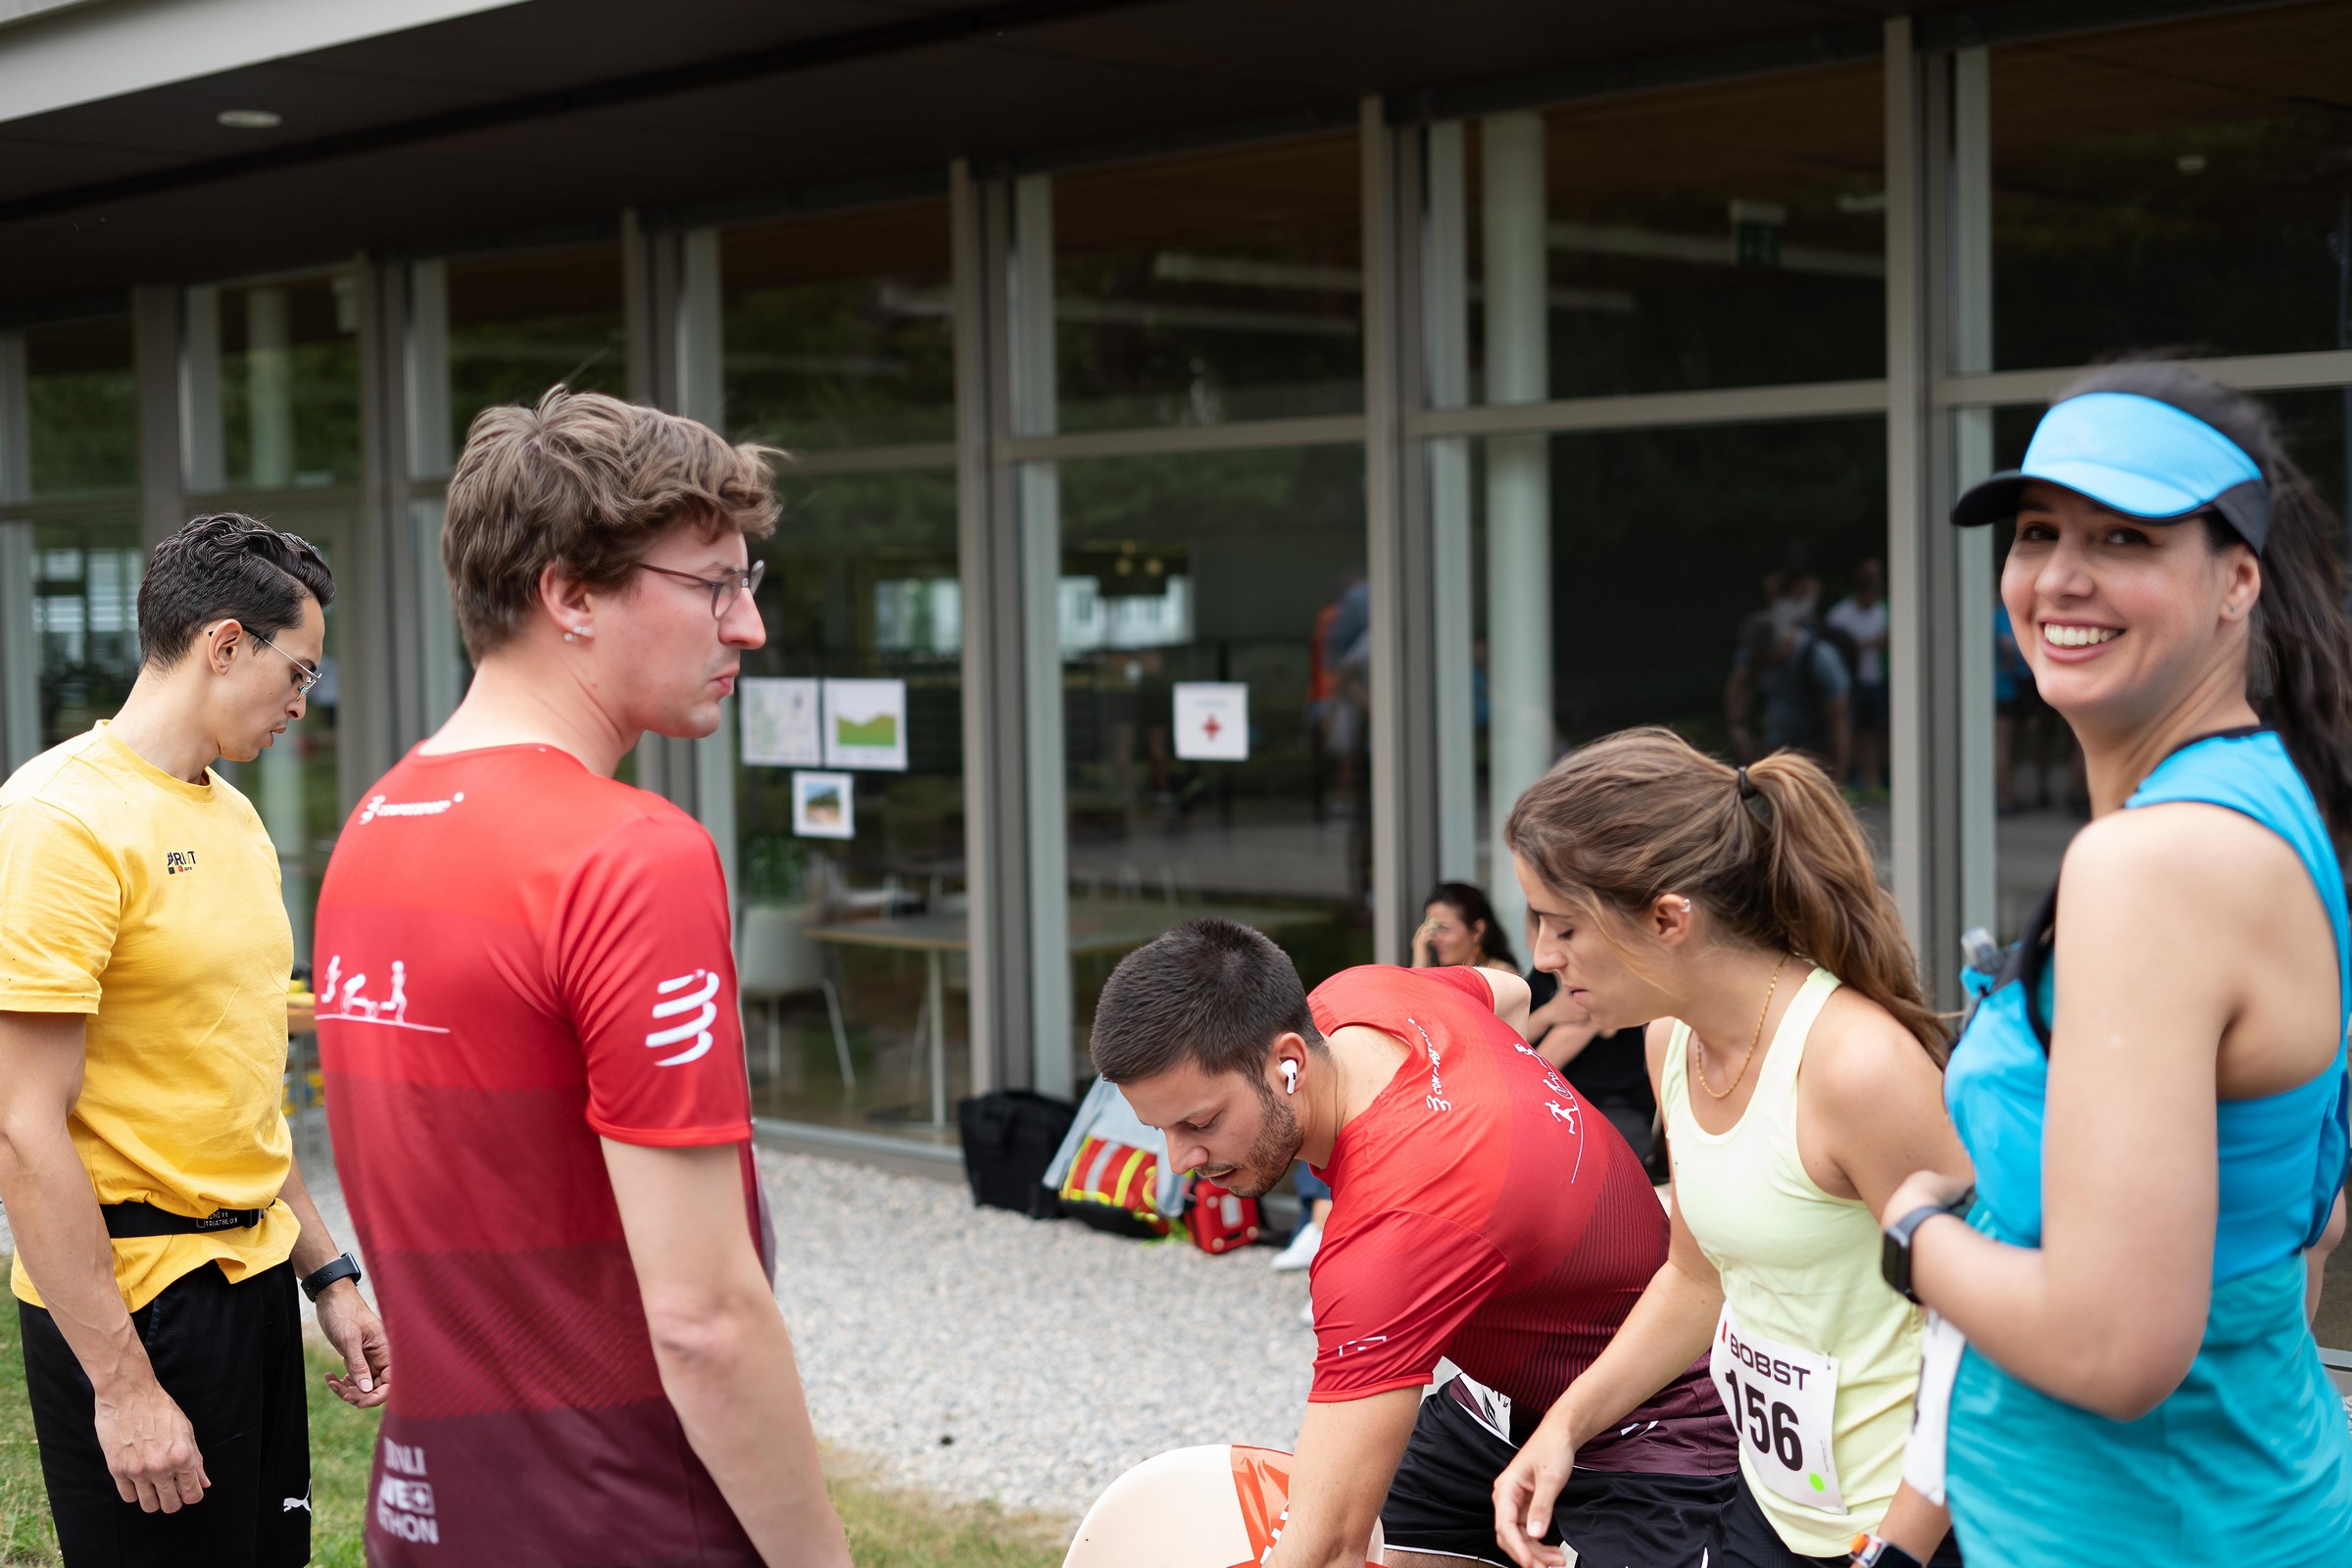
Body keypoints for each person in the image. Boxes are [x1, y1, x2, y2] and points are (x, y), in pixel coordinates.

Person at [313, 389, 849, 1567]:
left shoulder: (376, 823)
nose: (750, 625)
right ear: (571, 595)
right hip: (626, 1523)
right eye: (715, 584)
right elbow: (705, 1320)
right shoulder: (631, 854)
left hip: (429, 1522)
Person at [1885, 364, 2352, 1564]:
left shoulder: (2155, 862)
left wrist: (1916, 1234)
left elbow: (2116, 1348)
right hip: (2226, 1495)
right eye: (2038, 532)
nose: (2060, 577)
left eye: (2124, 537)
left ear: (2238, 579)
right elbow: (2308, 1220)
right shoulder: (2267, 799)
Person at [1095, 917, 1739, 1568]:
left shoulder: (1393, 1228)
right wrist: (1510, 1164)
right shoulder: (1358, 997)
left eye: (1201, 1122)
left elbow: (1325, 1550)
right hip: (1505, 1400)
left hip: (1664, 1404)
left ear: (1290, 1064)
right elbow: (1510, 992)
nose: (1179, 1160)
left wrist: (1476, 1176)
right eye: (1160, 1128)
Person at [0, 514, 388, 1568]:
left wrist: (327, 1272)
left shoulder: (235, 816)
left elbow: (235, 1089)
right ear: (224, 644)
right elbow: (24, 1131)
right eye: (297, 672)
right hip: (136, 1300)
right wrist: (123, 1386)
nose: (303, 703)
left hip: (250, 1282)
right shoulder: (58, 821)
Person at [1490, 728, 1970, 1568]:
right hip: (1773, 1512)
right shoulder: (1670, 1041)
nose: (1542, 957)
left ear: (1669, 918)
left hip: (1917, 1533)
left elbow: (1976, 1330)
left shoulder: (1858, 1068)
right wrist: (1564, 1424)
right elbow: (1696, 1276)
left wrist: (1898, 1548)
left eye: (1562, 925)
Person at [1520, 913, 1656, 1166]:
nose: (1541, 954)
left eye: (1561, 933)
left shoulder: (1600, 982)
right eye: (1537, 934)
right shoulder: (1538, 983)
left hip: (1612, 1108)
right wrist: (1548, 1014)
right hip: (1562, 1105)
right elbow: (1508, 1040)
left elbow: (1540, 1066)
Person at [1824, 560, 1888, 793]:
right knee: (1847, 730)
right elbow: (1835, 650)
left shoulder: (1881, 611)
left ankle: (1871, 781)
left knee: (1872, 732)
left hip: (1875, 678)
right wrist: (1873, 643)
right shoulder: (1840, 615)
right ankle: (1843, 783)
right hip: (1848, 681)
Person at [1411, 881, 1520, 973]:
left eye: (1444, 928)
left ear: (1477, 931)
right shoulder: (1440, 974)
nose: (1434, 938)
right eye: (1432, 929)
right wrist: (1420, 960)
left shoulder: (1501, 976)